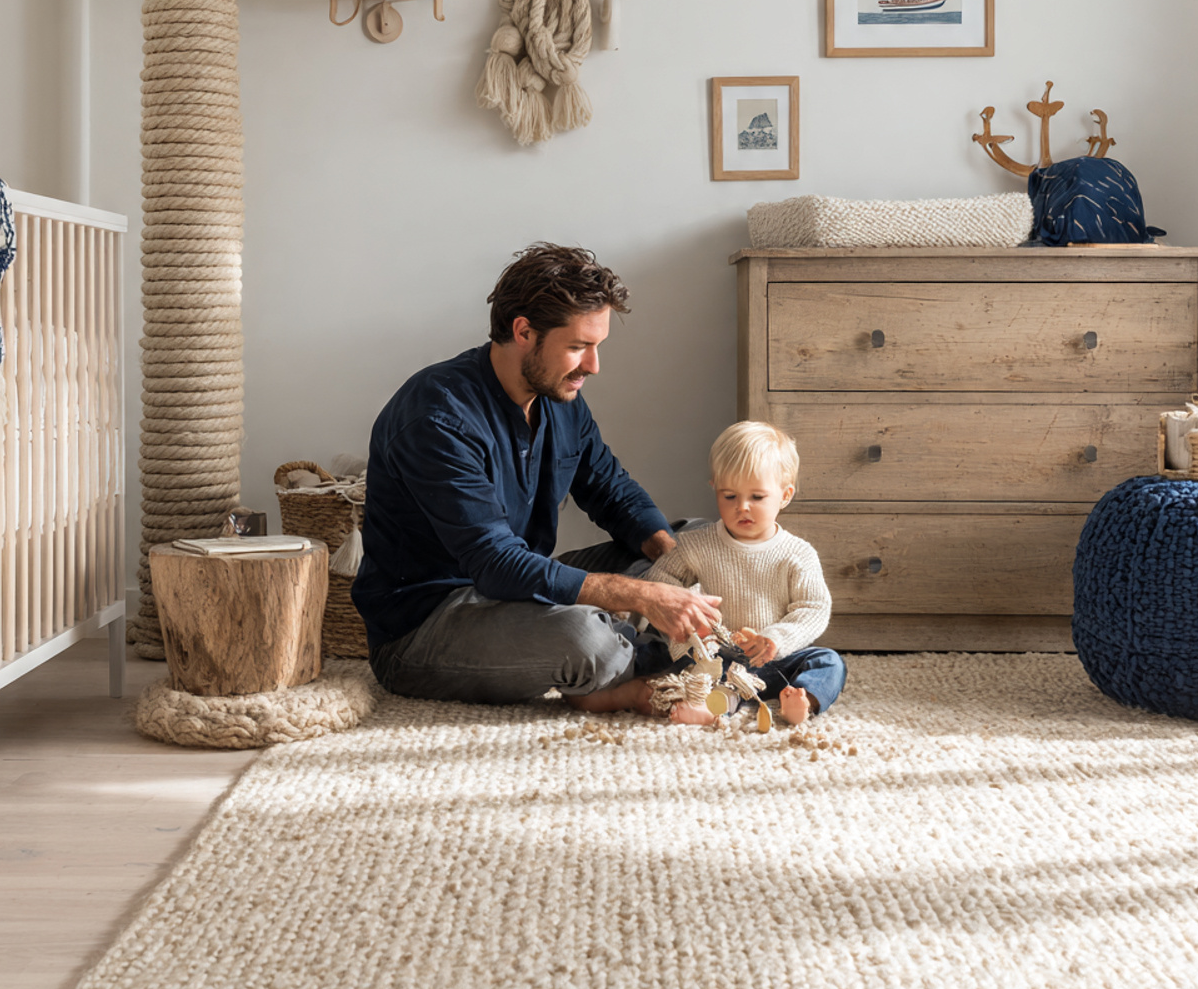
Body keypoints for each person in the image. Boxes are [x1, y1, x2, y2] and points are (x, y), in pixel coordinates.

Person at [352, 242, 723, 704]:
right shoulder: (437, 416)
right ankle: (671, 662)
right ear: (523, 331)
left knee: (702, 540)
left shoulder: (560, 395)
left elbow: (613, 492)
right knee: (584, 640)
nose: (593, 366)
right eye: (578, 347)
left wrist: (679, 566)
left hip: (519, 593)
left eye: (597, 346)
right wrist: (642, 597)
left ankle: (651, 648)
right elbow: (495, 563)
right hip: (428, 625)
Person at [568, 420, 846, 725]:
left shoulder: (797, 554)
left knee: (828, 662)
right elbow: (660, 581)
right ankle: (681, 699)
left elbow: (814, 607)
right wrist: (690, 626)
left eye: (757, 497)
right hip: (711, 655)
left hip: (773, 660)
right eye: (730, 496)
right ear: (714, 488)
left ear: (785, 495)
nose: (742, 507)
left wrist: (775, 638)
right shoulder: (697, 545)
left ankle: (802, 699)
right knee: (647, 651)